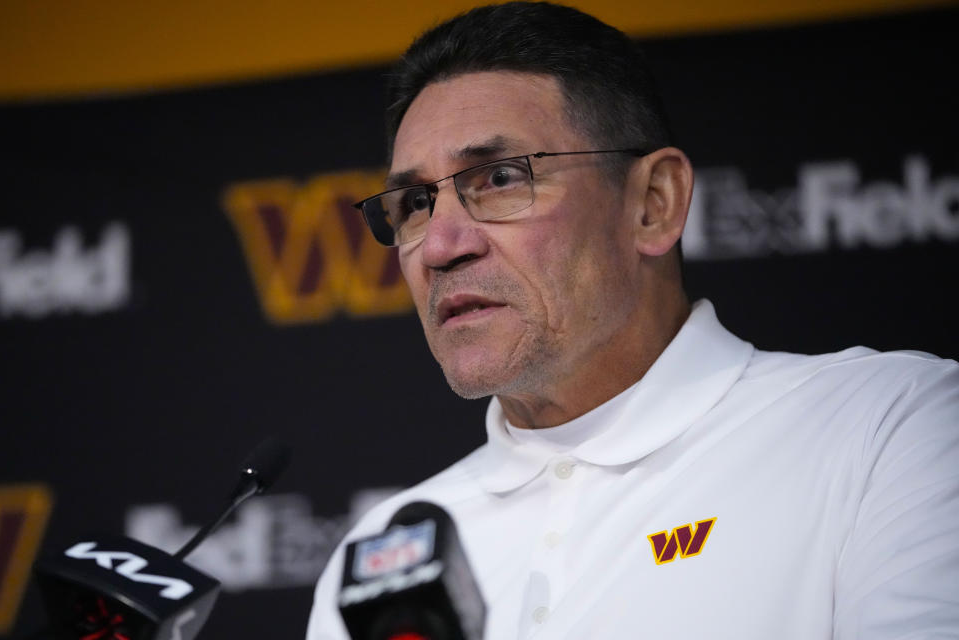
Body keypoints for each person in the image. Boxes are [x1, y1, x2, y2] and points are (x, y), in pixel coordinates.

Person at [306, 3, 959, 638]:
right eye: (415, 202)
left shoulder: (888, 428)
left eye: (501, 177)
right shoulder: (380, 563)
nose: (443, 246)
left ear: (654, 203)